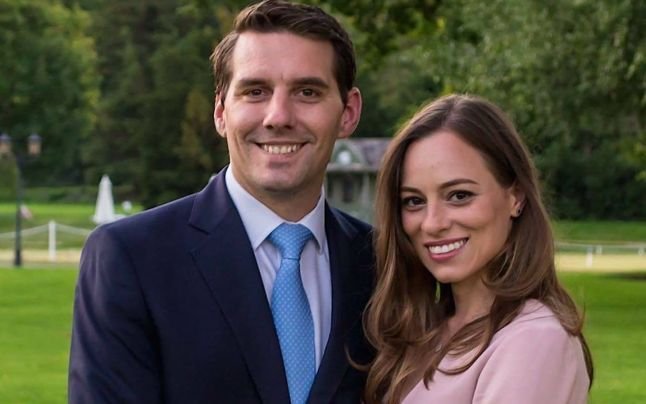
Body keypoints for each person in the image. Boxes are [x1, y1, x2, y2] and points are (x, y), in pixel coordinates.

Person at [68, 1, 374, 403]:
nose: (278, 116)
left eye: (307, 92)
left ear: (348, 112)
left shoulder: (382, 263)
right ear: (220, 112)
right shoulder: (132, 258)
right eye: (255, 91)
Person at [362, 94, 593, 403]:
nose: (432, 223)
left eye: (459, 195)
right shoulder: (424, 334)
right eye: (414, 201)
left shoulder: (533, 339)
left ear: (516, 197)